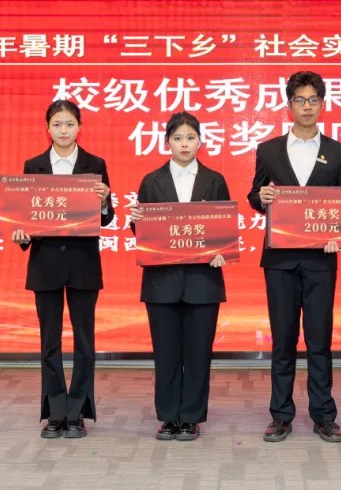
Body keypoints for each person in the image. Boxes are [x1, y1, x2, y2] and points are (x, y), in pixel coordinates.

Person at [247, 70, 341, 443]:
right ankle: (281, 415)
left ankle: (324, 415)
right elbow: (254, 195)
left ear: (322, 104)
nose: (307, 106)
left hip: (321, 260)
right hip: (280, 260)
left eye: (313, 100)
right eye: (300, 100)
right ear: (289, 104)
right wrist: (262, 197)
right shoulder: (269, 150)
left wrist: (340, 236)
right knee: (283, 340)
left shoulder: (338, 152)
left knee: (319, 339)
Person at [11, 100, 114, 439]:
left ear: (79, 127)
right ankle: (55, 412)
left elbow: (106, 218)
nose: (64, 130)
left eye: (69, 124)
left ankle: (77, 412)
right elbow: (25, 216)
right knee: (49, 343)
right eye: (57, 124)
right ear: (48, 128)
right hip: (46, 264)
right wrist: (21, 233)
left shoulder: (95, 164)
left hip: (83, 264)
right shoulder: (34, 166)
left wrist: (104, 201)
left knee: (85, 342)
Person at [127, 112, 230, 442]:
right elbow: (144, 233)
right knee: (166, 353)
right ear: (167, 142)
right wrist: (136, 220)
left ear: (200, 141)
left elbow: (224, 229)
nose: (184, 144)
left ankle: (191, 418)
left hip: (203, 281)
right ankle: (169, 417)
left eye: (190, 138)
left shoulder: (215, 180)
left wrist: (222, 251)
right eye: (177, 138)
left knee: (198, 353)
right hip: (162, 282)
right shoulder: (151, 181)